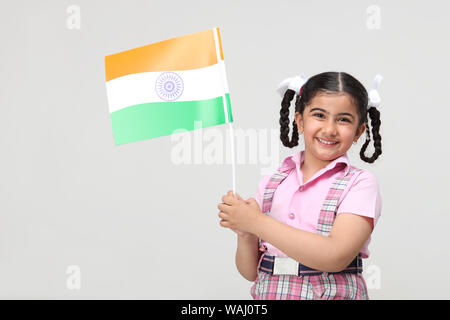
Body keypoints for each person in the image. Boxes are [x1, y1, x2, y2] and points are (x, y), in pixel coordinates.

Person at [217, 71, 383, 300]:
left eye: (343, 119)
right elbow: (250, 272)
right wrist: (245, 233)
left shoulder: (359, 183)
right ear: (300, 120)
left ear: (358, 132)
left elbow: (335, 256)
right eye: (319, 115)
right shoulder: (272, 183)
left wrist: (256, 221)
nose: (329, 129)